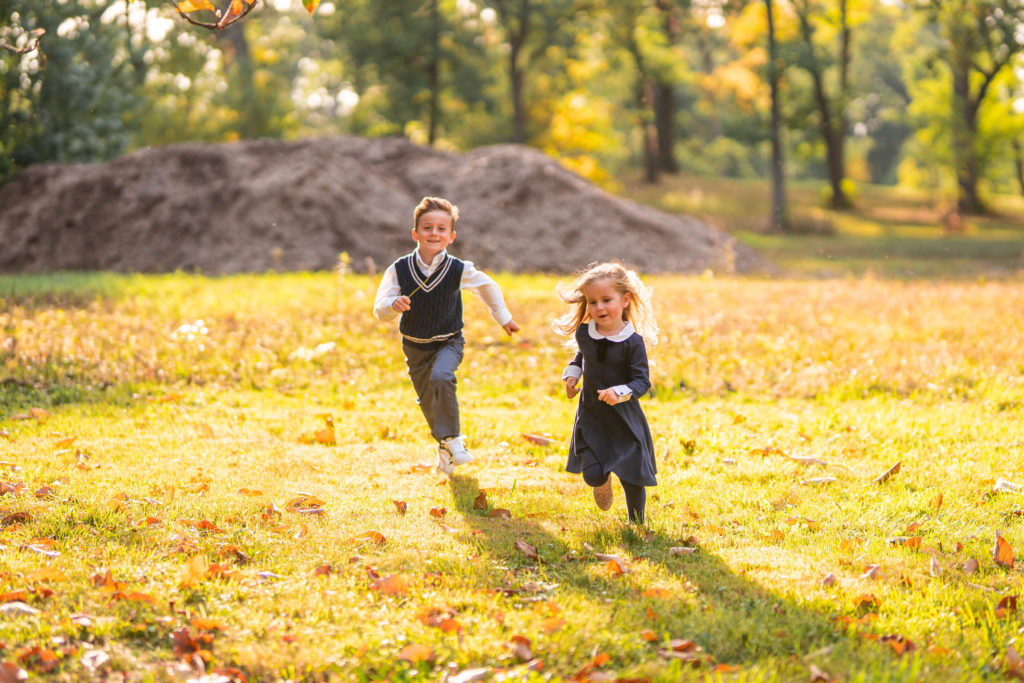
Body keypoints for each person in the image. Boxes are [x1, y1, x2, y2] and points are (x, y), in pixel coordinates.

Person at [373, 196, 519, 474]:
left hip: (449, 341)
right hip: (414, 346)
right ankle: (444, 446)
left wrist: (503, 318)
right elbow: (380, 308)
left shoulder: (458, 269)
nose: (434, 233)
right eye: (427, 228)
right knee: (427, 401)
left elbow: (487, 286)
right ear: (415, 234)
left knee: (442, 377)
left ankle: (454, 439)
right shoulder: (399, 269)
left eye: (441, 229)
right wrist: (392, 305)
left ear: (451, 236)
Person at [555, 262, 657, 525]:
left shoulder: (632, 342)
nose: (599, 307)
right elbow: (582, 357)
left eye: (606, 300)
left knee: (631, 473)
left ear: (625, 300)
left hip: (623, 418)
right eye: (592, 301)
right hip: (592, 415)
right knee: (591, 474)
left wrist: (619, 392)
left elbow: (641, 382)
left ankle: (636, 522)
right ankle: (601, 481)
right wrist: (572, 375)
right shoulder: (585, 333)